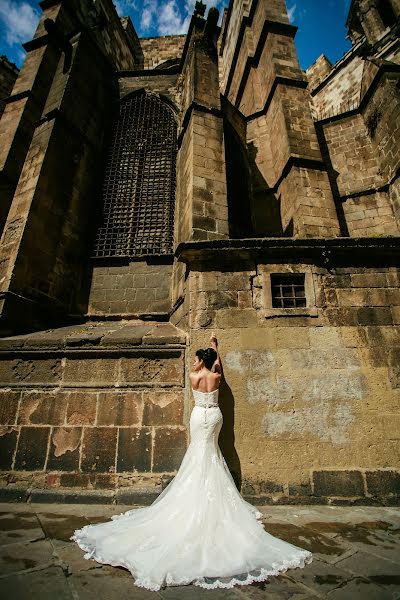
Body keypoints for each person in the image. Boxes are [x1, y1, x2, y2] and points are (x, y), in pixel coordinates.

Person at [71, 333, 312, 591]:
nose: (195, 362)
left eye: (197, 359)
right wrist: (214, 346)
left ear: (200, 362)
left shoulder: (193, 377)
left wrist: (209, 350)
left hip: (199, 416)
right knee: (212, 452)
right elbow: (218, 366)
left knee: (199, 451)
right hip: (215, 416)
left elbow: (207, 365)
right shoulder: (216, 377)